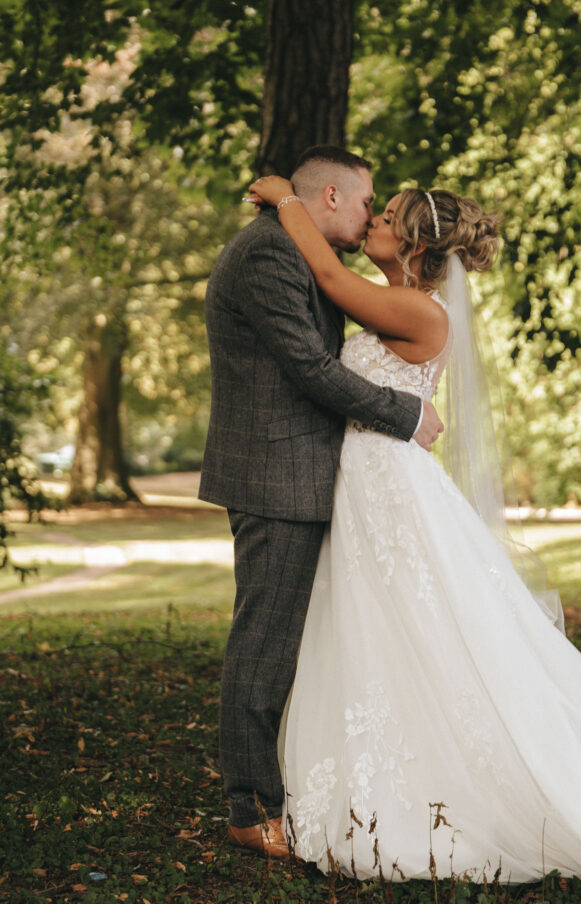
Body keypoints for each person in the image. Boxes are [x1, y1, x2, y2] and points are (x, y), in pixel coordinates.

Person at [247, 173, 581, 903]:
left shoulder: (419, 311)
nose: (374, 220)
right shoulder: (399, 296)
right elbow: (331, 282)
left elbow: (325, 272)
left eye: (385, 216)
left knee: (417, 626)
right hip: (370, 482)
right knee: (379, 626)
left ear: (414, 242)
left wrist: (286, 197)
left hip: (389, 485)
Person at [198, 146, 443, 858]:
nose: (372, 214)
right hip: (276, 474)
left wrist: (286, 203)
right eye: (367, 201)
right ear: (330, 197)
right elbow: (307, 366)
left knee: (290, 642)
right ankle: (249, 808)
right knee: (265, 641)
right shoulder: (269, 255)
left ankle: (283, 789)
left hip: (304, 472)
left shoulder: (291, 247)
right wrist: (405, 413)